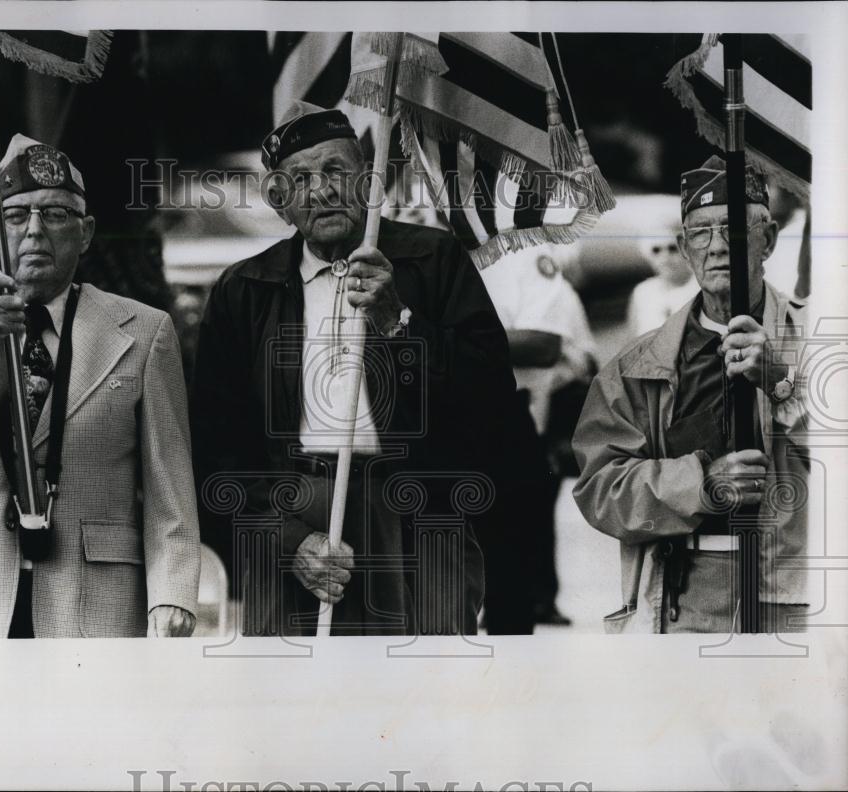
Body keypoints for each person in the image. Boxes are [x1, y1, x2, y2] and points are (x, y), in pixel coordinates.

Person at [192, 101, 514, 636]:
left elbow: (491, 395)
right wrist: (289, 542)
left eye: (337, 171)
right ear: (279, 202)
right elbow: (216, 449)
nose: (321, 190)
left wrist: (398, 321)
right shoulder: (244, 290)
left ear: (369, 181)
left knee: (422, 702)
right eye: (299, 179)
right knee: (299, 707)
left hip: (418, 518)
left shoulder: (431, 261)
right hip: (293, 526)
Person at [0, 134, 201, 639]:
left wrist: (172, 594)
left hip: (93, 605)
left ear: (87, 231)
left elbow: (170, 486)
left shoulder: (144, 331)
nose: (34, 231)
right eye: (17, 216)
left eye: (55, 214)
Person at [572, 155, 808, 633]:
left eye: (735, 229)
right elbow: (601, 488)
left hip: (797, 597)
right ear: (685, 247)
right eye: (701, 233)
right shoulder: (639, 364)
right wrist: (701, 482)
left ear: (768, 241)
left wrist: (783, 387)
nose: (718, 246)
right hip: (686, 596)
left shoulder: (819, 343)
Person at [480, 243, 598, 628]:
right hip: (524, 412)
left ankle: (541, 598)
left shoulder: (562, 296)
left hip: (542, 414)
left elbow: (579, 356)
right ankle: (526, 597)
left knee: (534, 515)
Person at [626, 225, 699, 337]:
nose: (665, 256)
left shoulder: (701, 287)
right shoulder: (641, 292)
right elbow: (632, 343)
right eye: (656, 250)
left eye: (672, 248)